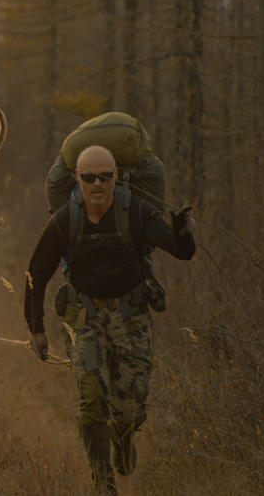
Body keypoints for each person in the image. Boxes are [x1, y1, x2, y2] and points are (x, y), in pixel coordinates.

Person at [23, 144, 196, 495]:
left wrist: (181, 230)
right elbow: (35, 275)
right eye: (89, 177)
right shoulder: (65, 219)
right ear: (77, 179)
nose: (97, 184)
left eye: (104, 176)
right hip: (84, 317)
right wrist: (37, 330)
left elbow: (183, 252)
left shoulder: (136, 212)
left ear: (116, 175)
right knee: (90, 399)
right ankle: (103, 482)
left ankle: (124, 436)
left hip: (131, 315)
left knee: (130, 405)